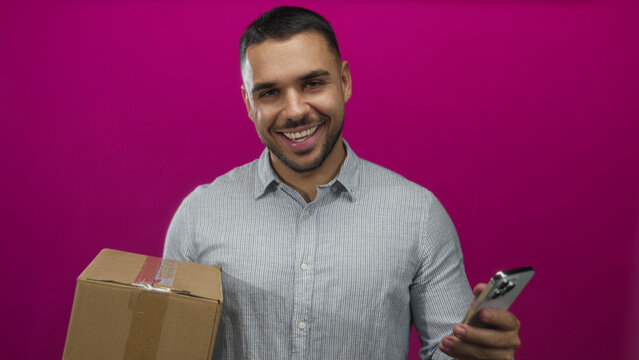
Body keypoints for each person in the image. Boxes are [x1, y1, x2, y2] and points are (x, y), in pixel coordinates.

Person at [164, 6, 521, 360]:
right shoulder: (199, 215)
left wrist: (476, 355)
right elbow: (170, 347)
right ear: (248, 102)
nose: (294, 111)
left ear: (345, 81)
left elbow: (448, 351)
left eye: (313, 83)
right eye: (270, 92)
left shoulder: (418, 215)